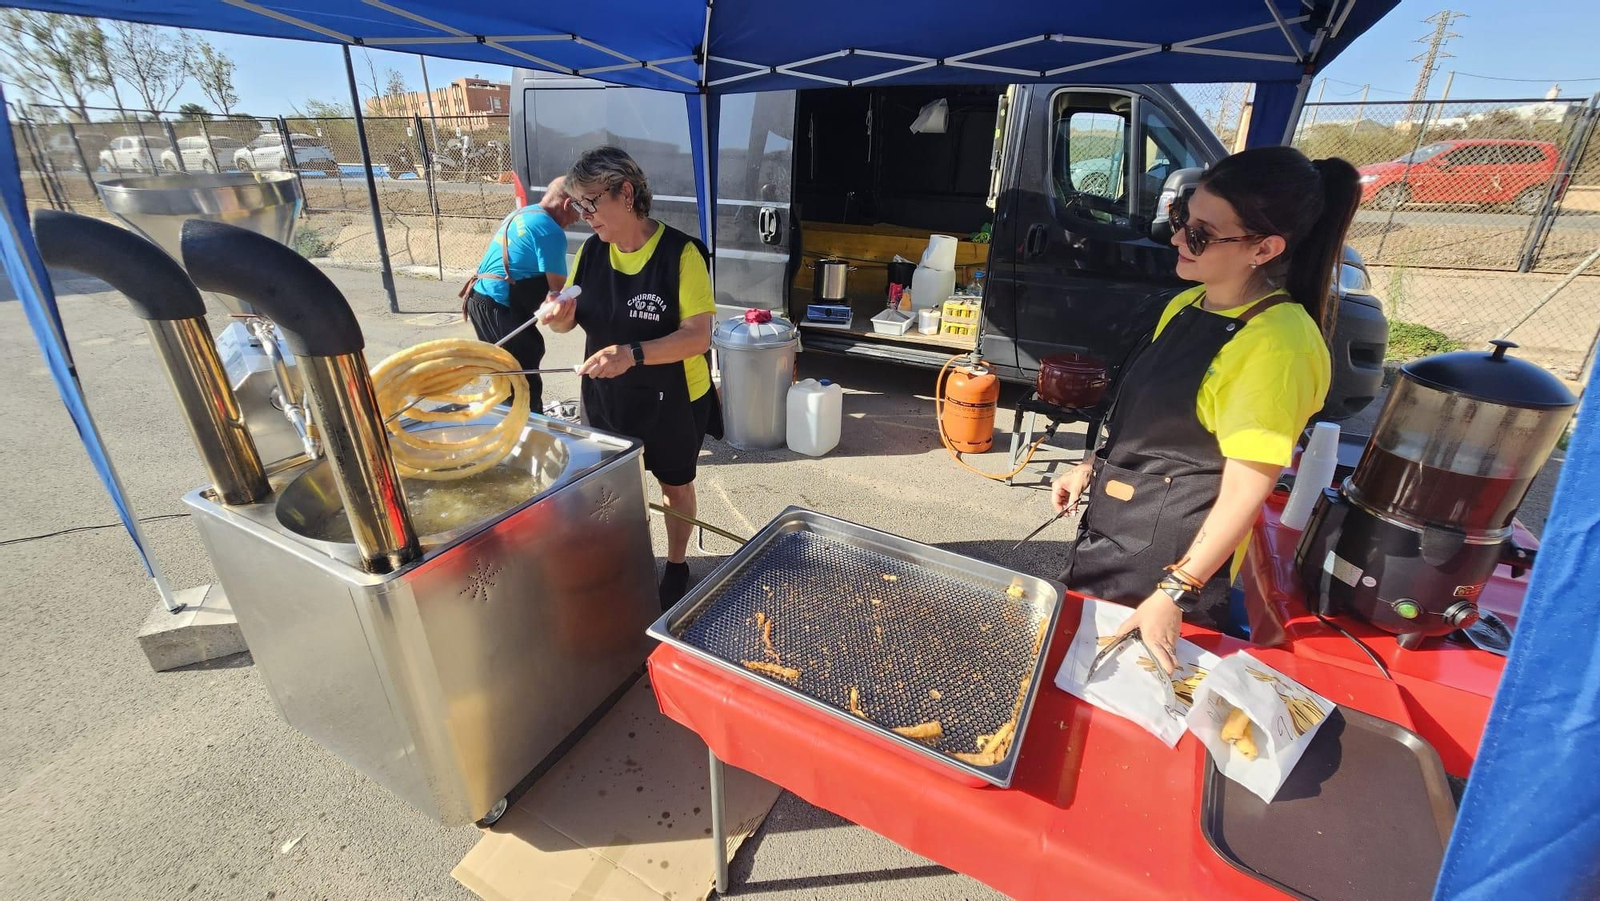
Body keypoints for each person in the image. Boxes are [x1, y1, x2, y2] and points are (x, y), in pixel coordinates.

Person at [1053, 146, 1360, 673]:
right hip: (1116, 530)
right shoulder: (1187, 302)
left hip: (1172, 563)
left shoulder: (1279, 346)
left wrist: (1175, 592)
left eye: (1199, 233)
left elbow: (1248, 488)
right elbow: (1150, 419)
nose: (1177, 238)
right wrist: (1093, 465)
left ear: (1263, 248)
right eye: (1181, 219)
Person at [537, 146, 721, 609]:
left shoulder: (682, 254)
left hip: (673, 399)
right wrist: (556, 314)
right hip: (606, 397)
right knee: (613, 490)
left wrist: (633, 353)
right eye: (578, 205)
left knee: (674, 487)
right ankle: (628, 562)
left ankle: (677, 564)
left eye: (591, 202)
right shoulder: (592, 253)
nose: (583, 216)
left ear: (625, 192)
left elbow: (698, 338)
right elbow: (567, 321)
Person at [459, 177, 579, 411]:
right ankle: (524, 435)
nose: (579, 219)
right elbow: (557, 292)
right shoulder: (549, 231)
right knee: (521, 380)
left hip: (479, 299)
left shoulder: (524, 213)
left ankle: (513, 428)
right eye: (579, 210)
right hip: (499, 304)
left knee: (508, 374)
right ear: (567, 204)